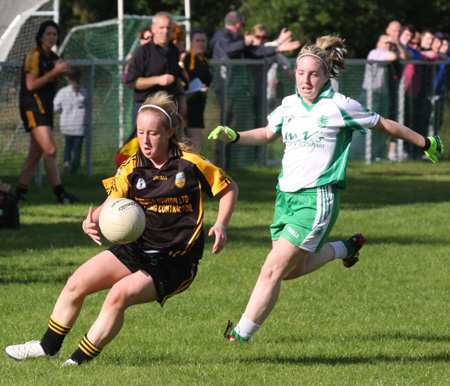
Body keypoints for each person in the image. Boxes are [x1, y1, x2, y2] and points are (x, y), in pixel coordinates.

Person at [208, 34, 444, 343]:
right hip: (285, 199)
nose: (306, 80)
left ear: (325, 75)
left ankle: (238, 337)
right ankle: (345, 248)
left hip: (316, 200)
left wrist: (425, 142)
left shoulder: (339, 106)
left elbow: (383, 123)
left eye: (314, 74)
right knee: (291, 270)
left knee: (271, 270)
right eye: (301, 73)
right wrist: (235, 135)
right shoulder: (288, 105)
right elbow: (268, 133)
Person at [5, 90, 239, 366]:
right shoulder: (131, 167)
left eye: (152, 133)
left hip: (175, 261)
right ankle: (47, 347)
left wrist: (221, 224)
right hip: (136, 249)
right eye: (140, 132)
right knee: (75, 283)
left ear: (169, 133)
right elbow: (111, 203)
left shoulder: (190, 163)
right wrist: (91, 221)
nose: (145, 140)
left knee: (118, 295)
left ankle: (75, 363)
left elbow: (229, 188)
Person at [210, 11, 299, 166]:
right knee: (224, 126)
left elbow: (256, 52)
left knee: (236, 127)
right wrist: (245, 42)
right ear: (239, 24)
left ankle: (232, 163)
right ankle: (220, 164)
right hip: (226, 90)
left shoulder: (238, 40)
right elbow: (229, 50)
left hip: (239, 91)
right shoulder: (222, 36)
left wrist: (277, 49)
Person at [16, 20, 78, 204]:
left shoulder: (54, 57)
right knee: (50, 150)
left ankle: (20, 194)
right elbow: (31, 85)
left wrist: (59, 74)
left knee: (36, 153)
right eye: (48, 33)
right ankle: (60, 194)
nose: (51, 37)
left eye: (54, 34)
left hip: (46, 108)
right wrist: (54, 72)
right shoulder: (33, 56)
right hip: (32, 108)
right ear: (40, 36)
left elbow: (53, 86)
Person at [125, 12, 187, 131]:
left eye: (168, 28)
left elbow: (177, 78)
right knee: (144, 147)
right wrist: (158, 80)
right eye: (161, 27)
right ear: (153, 29)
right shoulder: (142, 52)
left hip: (169, 107)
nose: (165, 31)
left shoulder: (174, 50)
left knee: (169, 147)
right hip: (146, 108)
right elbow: (131, 81)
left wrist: (182, 98)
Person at [356, 34, 401, 160]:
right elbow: (393, 56)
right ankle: (360, 155)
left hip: (381, 94)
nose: (388, 45)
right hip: (370, 93)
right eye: (385, 43)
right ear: (379, 43)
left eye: (389, 44)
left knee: (381, 125)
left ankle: (376, 154)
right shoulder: (375, 53)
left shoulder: (385, 53)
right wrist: (395, 44)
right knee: (367, 124)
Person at [250, 24, 294, 110]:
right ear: (252, 36)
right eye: (258, 37)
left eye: (264, 37)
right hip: (246, 91)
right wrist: (279, 42)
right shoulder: (248, 48)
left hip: (259, 90)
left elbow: (273, 53)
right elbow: (258, 51)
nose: (260, 40)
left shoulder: (265, 49)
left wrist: (287, 68)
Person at [54, 67, 88, 175]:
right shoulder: (85, 92)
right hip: (80, 125)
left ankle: (67, 162)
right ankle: (75, 168)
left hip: (67, 125)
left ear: (67, 78)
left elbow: (56, 106)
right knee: (77, 149)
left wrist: (60, 112)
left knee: (68, 146)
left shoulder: (62, 92)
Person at [183, 28, 213, 151]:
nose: (200, 43)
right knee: (196, 141)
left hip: (200, 104)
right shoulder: (188, 58)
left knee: (195, 141)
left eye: (203, 41)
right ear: (191, 42)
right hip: (189, 104)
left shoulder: (205, 61)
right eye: (197, 40)